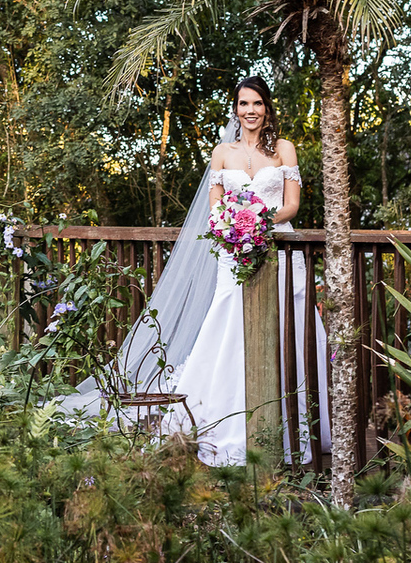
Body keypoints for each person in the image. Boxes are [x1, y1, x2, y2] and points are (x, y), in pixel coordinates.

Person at [56, 76, 330, 466]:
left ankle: (291, 427)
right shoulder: (222, 153)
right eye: (242, 104)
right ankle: (226, 420)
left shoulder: (284, 149)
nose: (249, 111)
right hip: (233, 249)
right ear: (235, 109)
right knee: (228, 325)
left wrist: (257, 220)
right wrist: (236, 226)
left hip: (278, 248)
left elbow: (291, 206)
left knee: (289, 327)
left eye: (256, 104)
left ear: (267, 107)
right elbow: (215, 207)